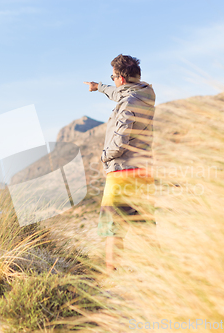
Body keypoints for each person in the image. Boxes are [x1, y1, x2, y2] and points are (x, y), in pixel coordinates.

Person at [84, 54, 156, 274]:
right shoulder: (146, 94)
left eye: (113, 77)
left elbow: (120, 139)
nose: (113, 81)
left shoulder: (128, 104)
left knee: (112, 230)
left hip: (122, 174)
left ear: (121, 79)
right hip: (144, 173)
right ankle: (158, 275)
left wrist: (105, 156)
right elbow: (118, 92)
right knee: (146, 229)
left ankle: (112, 277)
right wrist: (99, 87)